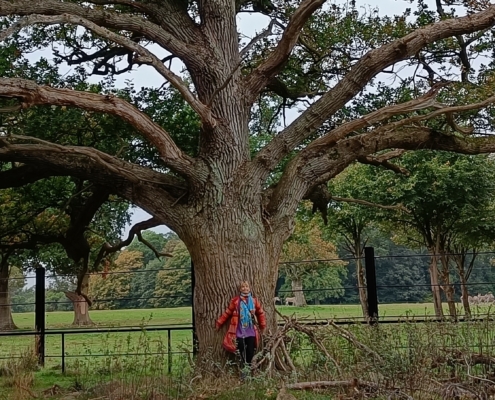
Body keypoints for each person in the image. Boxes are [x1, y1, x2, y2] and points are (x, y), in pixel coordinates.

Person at [216, 281, 266, 375]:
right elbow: (228, 312)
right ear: (240, 289)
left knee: (250, 351)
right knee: (241, 351)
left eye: (246, 286)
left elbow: (260, 313)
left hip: (251, 331)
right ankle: (244, 372)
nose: (245, 288)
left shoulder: (254, 301)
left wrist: (262, 325)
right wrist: (219, 322)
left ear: (249, 288)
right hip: (239, 331)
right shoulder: (235, 301)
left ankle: (249, 371)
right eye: (243, 287)